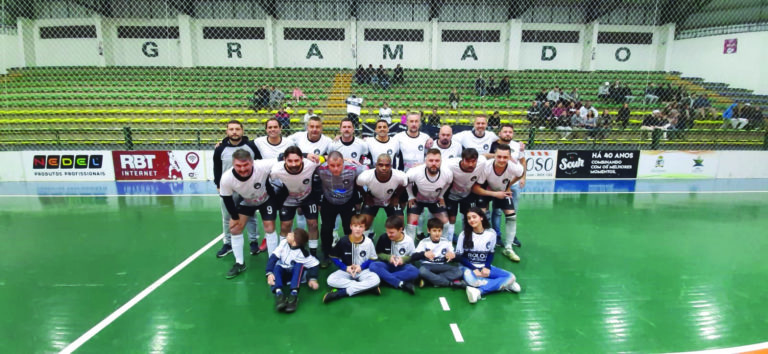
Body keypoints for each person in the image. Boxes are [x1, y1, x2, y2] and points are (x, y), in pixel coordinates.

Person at [219, 149, 279, 278]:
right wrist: (234, 217)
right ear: (233, 164)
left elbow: (282, 157)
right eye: (238, 166)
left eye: (245, 165)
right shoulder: (227, 178)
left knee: (269, 227)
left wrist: (307, 155)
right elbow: (227, 198)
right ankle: (239, 263)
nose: (242, 169)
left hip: (265, 199)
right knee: (234, 229)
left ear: (252, 162)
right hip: (246, 200)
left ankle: (273, 262)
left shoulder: (262, 165)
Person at [213, 120, 264, 258]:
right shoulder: (220, 149)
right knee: (227, 216)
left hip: (248, 188)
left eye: (237, 129)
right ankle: (228, 243)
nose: (234, 132)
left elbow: (259, 164)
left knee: (251, 216)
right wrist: (218, 184)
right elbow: (217, 168)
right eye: (231, 129)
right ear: (227, 131)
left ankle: (254, 242)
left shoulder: (251, 146)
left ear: (242, 131)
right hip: (229, 189)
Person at [457, 207, 521, 304]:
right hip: (468, 267)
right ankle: (504, 284)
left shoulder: (491, 233)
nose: (471, 220)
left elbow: (491, 252)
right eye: (469, 218)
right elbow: (459, 257)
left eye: (474, 217)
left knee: (511, 276)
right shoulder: (463, 235)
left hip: (484, 267)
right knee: (474, 282)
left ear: (481, 217)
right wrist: (473, 268)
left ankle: (479, 291)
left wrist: (486, 267)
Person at [472, 144, 524, 262]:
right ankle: (482, 245)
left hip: (501, 189)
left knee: (512, 217)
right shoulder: (486, 166)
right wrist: (495, 194)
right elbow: (475, 188)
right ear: (494, 155)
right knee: (481, 215)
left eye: (505, 157)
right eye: (499, 156)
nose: (501, 160)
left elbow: (521, 173)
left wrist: (509, 186)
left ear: (510, 157)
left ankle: (508, 248)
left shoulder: (515, 167)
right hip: (486, 189)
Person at [315, 151, 365, 268]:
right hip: (329, 202)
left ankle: (349, 252)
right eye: (332, 166)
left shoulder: (354, 169)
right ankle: (326, 254)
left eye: (339, 165)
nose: (336, 169)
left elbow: (372, 169)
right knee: (326, 229)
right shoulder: (320, 169)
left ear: (343, 162)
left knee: (349, 228)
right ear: (327, 164)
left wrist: (360, 199)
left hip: (347, 202)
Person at [269, 146, 320, 256]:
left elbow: (326, 158)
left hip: (307, 196)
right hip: (288, 198)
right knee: (285, 225)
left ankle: (313, 253)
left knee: (313, 224)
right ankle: (284, 251)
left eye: (296, 160)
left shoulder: (311, 164)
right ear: (284, 159)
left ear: (302, 158)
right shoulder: (276, 170)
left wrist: (346, 159)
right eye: (290, 161)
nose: (293, 164)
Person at [323, 214, 381, 303]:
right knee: (330, 280)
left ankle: (341, 293)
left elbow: (372, 258)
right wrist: (345, 268)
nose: (358, 229)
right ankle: (367, 288)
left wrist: (361, 267)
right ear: (351, 227)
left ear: (365, 228)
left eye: (361, 226)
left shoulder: (368, 242)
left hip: (363, 271)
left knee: (376, 279)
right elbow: (333, 257)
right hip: (347, 271)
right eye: (355, 226)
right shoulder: (343, 241)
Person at [487, 124, 526, 248]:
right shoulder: (493, 144)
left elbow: (522, 162)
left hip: (512, 184)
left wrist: (523, 177)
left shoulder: (517, 146)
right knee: (497, 211)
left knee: (512, 211)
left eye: (510, 132)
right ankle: (497, 235)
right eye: (505, 131)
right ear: (500, 133)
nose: (508, 134)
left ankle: (512, 236)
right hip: (497, 184)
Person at [265, 229, 320, 313]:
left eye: (292, 234)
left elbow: (315, 264)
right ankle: (279, 294)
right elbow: (273, 257)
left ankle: (293, 295)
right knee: (277, 267)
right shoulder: (283, 243)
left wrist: (312, 278)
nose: (289, 233)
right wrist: (269, 273)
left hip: (295, 276)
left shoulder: (303, 254)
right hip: (283, 275)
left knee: (299, 265)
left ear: (294, 242)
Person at [405, 148, 453, 239]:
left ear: (441, 161)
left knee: (446, 224)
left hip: (434, 200)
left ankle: (443, 244)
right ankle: (410, 250)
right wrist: (410, 196)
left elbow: (448, 183)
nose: (434, 163)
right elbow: (406, 182)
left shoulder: (447, 173)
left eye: (437, 160)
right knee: (411, 226)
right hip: (418, 200)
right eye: (431, 160)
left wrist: (441, 195)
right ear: (425, 161)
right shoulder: (414, 171)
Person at [357, 154, 408, 237]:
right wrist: (366, 196)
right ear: (376, 165)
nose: (384, 168)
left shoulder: (400, 176)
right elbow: (358, 185)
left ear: (391, 166)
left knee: (400, 225)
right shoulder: (365, 176)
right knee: (363, 225)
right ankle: (369, 233)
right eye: (380, 165)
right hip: (373, 200)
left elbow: (404, 184)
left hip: (389, 200)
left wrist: (396, 196)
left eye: (387, 165)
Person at [444, 148, 486, 242]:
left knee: (470, 216)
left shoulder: (482, 162)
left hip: (468, 193)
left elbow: (486, 156)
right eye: (467, 161)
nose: (471, 164)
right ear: (462, 159)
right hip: (451, 194)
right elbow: (437, 162)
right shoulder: (450, 164)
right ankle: (449, 242)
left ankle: (466, 240)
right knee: (452, 218)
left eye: (473, 161)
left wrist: (495, 155)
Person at [369, 216, 419, 294]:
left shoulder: (409, 240)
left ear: (400, 229)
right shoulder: (383, 238)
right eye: (387, 232)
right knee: (373, 265)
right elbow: (378, 253)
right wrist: (388, 257)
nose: (389, 235)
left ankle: (382, 279)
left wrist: (403, 259)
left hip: (402, 267)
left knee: (414, 271)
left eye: (392, 232)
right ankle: (401, 284)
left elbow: (413, 257)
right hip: (387, 265)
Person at [412, 218, 465, 288]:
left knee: (458, 272)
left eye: (439, 231)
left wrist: (452, 256)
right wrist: (424, 254)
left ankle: (429, 281)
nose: (437, 233)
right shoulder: (424, 242)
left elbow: (458, 258)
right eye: (434, 231)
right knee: (422, 271)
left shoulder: (446, 242)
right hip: (428, 266)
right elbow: (413, 256)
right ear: (428, 230)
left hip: (441, 266)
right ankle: (450, 284)